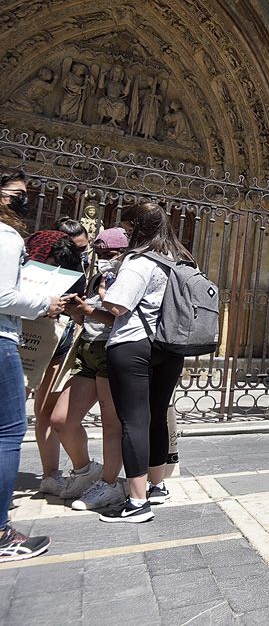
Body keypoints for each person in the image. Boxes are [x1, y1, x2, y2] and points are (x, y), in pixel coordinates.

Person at [98, 203, 190, 523]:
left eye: (125, 227)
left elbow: (118, 305)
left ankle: (136, 503)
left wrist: (100, 290)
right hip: (170, 348)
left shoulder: (138, 261)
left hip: (135, 344)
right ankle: (157, 485)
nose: (122, 233)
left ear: (137, 228)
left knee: (134, 421)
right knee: (156, 418)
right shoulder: (177, 261)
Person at [0, 169, 62, 560]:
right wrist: (45, 303)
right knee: (8, 431)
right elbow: (4, 296)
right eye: (19, 193)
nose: (25, 199)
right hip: (1, 337)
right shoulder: (6, 237)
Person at [57, 227, 129, 511]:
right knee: (62, 419)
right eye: (99, 253)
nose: (104, 258)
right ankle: (86, 471)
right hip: (86, 348)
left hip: (110, 351)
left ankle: (110, 484)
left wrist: (98, 304)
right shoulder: (99, 275)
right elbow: (89, 316)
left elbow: (124, 321)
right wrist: (77, 310)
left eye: (110, 253)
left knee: (112, 424)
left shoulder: (126, 277)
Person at [25, 230, 86, 498]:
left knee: (46, 412)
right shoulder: (19, 267)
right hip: (17, 340)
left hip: (55, 340)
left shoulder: (72, 264)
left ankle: (51, 475)